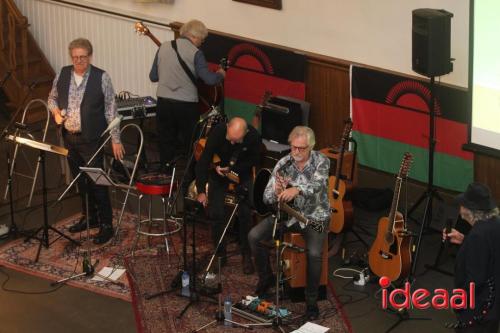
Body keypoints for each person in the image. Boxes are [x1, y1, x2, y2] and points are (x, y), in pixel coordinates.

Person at [248, 126, 330, 321]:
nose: (296, 152)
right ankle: (267, 278)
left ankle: (311, 300)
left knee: (315, 254)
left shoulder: (322, 161)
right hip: (287, 215)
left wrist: (297, 189)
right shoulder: (283, 163)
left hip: (315, 217)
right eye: (293, 147)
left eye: (301, 148)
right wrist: (275, 191)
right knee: (254, 236)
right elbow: (266, 197)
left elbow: (318, 185)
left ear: (311, 146)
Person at [48, 38, 124, 245]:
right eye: (75, 57)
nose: (79, 61)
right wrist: (55, 113)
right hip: (70, 138)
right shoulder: (63, 73)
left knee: (97, 181)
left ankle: (106, 225)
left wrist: (115, 139)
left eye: (83, 57)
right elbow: (52, 98)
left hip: (92, 139)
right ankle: (89, 217)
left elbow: (111, 109)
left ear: (90, 56)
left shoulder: (101, 77)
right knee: (80, 180)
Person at [149, 19, 226, 172]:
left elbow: (153, 76)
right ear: (195, 36)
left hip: (164, 103)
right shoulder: (196, 53)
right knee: (190, 143)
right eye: (202, 40)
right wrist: (220, 74)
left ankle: (165, 175)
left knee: (166, 141)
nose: (201, 43)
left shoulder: (163, 47)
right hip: (186, 105)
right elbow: (209, 80)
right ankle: (189, 177)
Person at [195, 117, 261, 275]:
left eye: (236, 140)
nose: (232, 143)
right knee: (215, 212)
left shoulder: (253, 137)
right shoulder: (218, 132)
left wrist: (233, 170)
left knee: (245, 214)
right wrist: (201, 191)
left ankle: (246, 255)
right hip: (218, 173)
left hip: (241, 173)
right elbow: (204, 160)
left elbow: (254, 160)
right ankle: (220, 253)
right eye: (230, 139)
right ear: (227, 128)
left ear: (245, 134)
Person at [443, 182, 500, 333]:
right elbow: (490, 252)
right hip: (493, 306)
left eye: (462, 205)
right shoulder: (495, 224)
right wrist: (464, 239)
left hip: (479, 309)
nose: (459, 209)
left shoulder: (478, 235)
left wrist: (459, 302)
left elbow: (476, 278)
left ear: (469, 210)